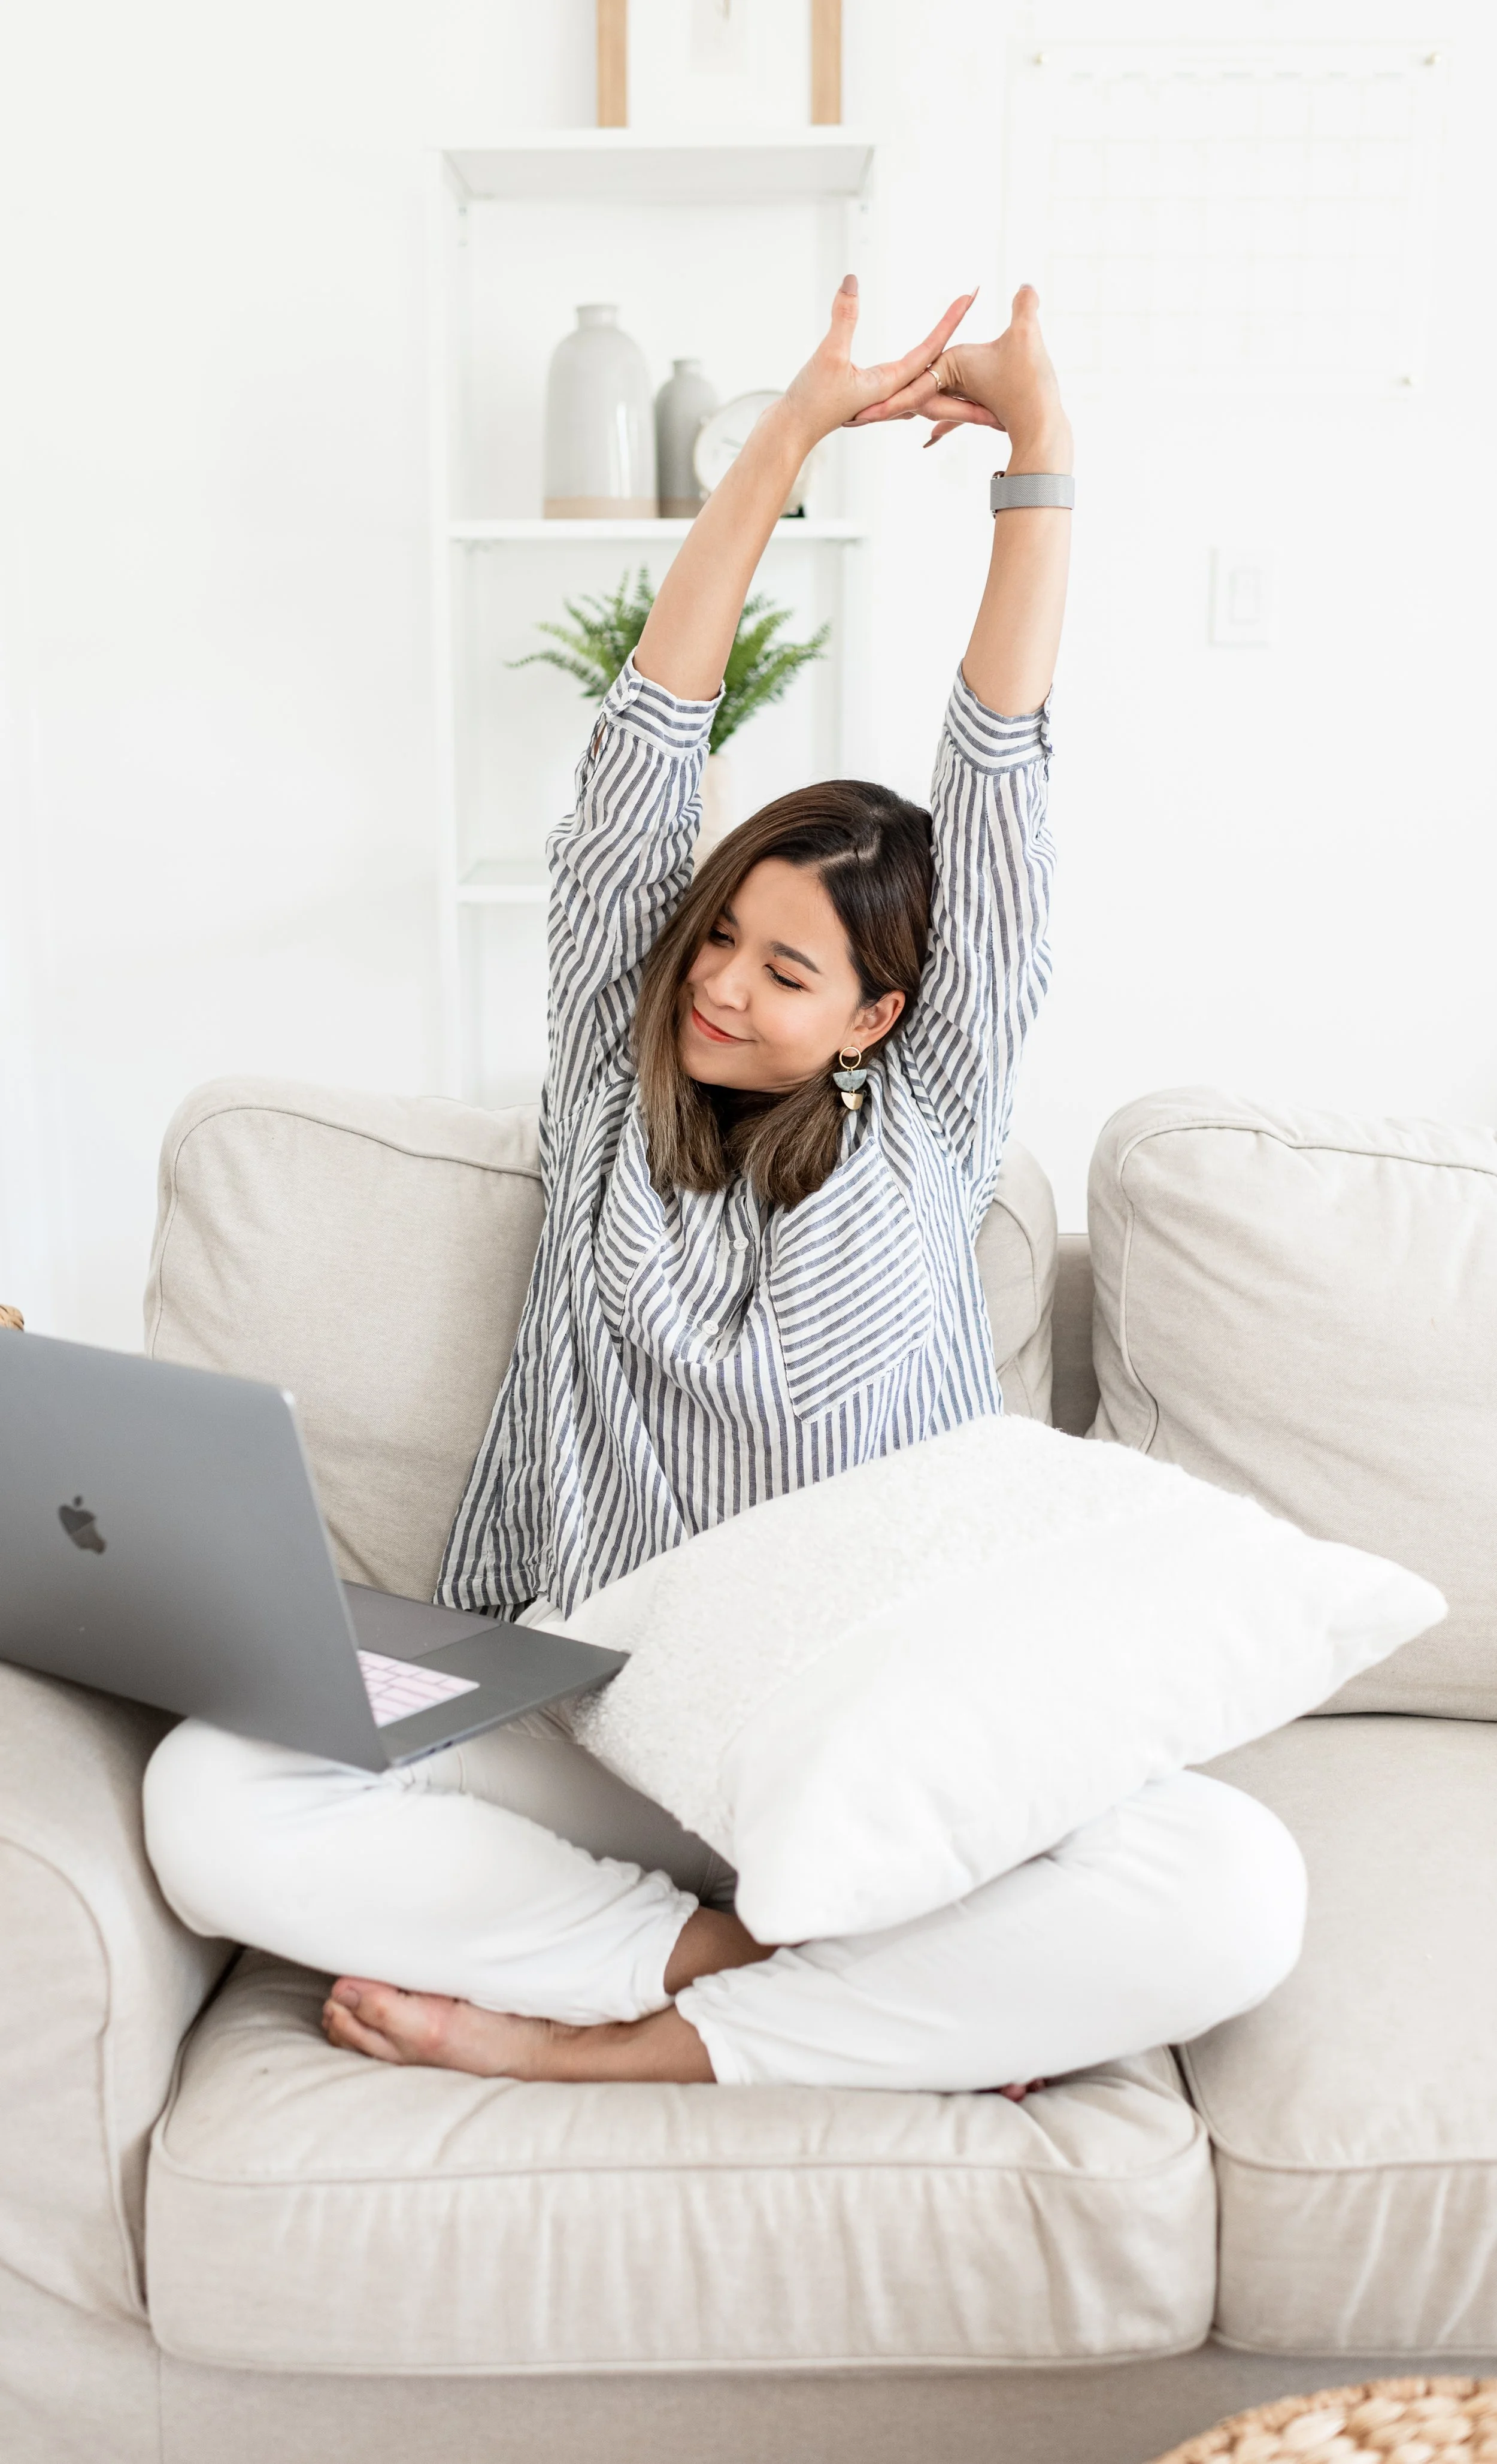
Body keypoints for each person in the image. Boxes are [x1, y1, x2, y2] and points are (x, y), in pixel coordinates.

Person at [144, 281, 1306, 2094]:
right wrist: (791, 431)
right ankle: (711, 1961)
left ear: (883, 1018)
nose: (720, 987)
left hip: (864, 1740)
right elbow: (644, 750)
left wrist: (1039, 455)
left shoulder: (927, 1118)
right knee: (214, 1786)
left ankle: (607, 2049)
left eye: (786, 973)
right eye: (721, 940)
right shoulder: (619, 1081)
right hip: (587, 1709)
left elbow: (996, 772)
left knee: (1227, 1888)